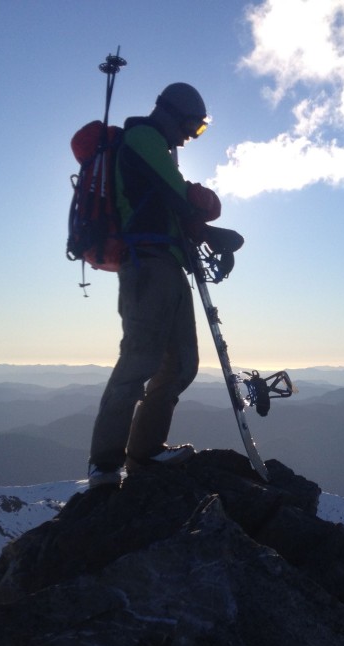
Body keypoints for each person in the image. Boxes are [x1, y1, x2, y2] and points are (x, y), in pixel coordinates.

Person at [87, 82, 222, 488]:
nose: (190, 135)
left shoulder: (157, 147)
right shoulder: (142, 137)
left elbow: (173, 208)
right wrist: (204, 202)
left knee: (181, 364)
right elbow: (179, 196)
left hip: (168, 263)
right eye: (193, 127)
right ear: (173, 113)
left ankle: (145, 453)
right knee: (139, 363)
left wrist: (203, 232)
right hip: (147, 265)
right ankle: (105, 465)